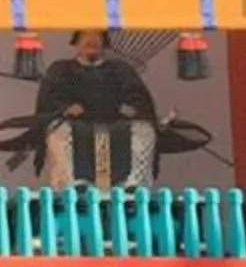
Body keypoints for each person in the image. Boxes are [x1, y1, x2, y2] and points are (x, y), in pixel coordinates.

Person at [33, 29, 157, 188]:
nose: (91, 41)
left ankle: (134, 181)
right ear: (76, 43)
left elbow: (139, 99)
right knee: (57, 130)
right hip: (75, 124)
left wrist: (131, 108)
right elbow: (49, 101)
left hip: (117, 123)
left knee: (144, 130)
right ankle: (68, 182)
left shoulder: (121, 69)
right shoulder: (61, 69)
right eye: (85, 36)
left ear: (104, 43)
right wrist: (64, 108)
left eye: (97, 36)